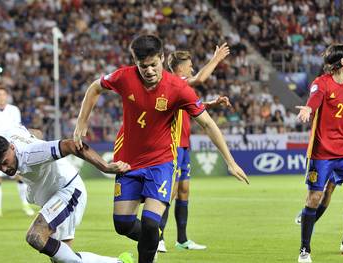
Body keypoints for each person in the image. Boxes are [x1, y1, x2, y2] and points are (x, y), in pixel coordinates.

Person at [73, 34, 249, 263]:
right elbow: (94, 88)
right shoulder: (124, 77)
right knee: (123, 224)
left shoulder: (178, 88)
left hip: (161, 163)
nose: (148, 71)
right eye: (142, 66)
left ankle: (150, 245)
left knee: (149, 222)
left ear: (162, 59)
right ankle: (151, 240)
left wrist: (230, 161)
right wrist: (81, 122)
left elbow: (207, 123)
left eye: (153, 64)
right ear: (135, 62)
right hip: (127, 162)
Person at [0, 125, 134, 263]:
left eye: (5, 161)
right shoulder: (8, 133)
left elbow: (71, 145)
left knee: (35, 236)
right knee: (62, 259)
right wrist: (33, 138)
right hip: (53, 195)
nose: (4, 168)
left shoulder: (31, 154)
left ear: (13, 147)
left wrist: (105, 166)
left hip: (68, 190)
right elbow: (35, 132)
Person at [295, 44, 343, 262]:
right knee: (314, 198)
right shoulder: (321, 83)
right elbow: (315, 99)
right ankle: (304, 251)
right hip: (322, 152)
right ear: (342, 62)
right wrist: (309, 109)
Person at [157, 45, 232, 253]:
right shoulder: (173, 82)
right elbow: (199, 78)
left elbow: (193, 106)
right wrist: (216, 59)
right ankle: (158, 236)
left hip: (184, 145)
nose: (192, 69)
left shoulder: (182, 89)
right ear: (179, 69)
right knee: (170, 192)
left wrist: (211, 103)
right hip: (171, 146)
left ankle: (182, 239)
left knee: (183, 191)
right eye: (189, 66)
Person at [294, 97, 343, 225]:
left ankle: (310, 219)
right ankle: (310, 218)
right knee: (327, 190)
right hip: (334, 151)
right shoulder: (336, 99)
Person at [0, 86, 34, 218]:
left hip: (11, 148)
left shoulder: (14, 110)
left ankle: (25, 204)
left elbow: (18, 129)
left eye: (2, 94)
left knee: (19, 176)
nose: (0, 97)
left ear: (6, 96)